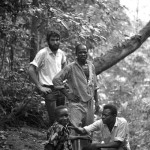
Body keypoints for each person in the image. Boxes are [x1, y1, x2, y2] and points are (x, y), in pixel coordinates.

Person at [52, 44, 99, 149]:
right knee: (74, 129)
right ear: (76, 54)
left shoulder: (91, 66)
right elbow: (56, 79)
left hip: (90, 103)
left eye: (85, 52)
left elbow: (95, 85)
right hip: (76, 103)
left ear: (87, 53)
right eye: (80, 52)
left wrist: (97, 102)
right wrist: (68, 95)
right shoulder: (71, 67)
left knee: (88, 129)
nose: (83, 54)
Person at [28, 29, 67, 126]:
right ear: (48, 41)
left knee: (63, 118)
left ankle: (62, 139)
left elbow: (66, 67)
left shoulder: (61, 53)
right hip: (49, 89)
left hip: (61, 89)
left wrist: (65, 81)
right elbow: (31, 69)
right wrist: (40, 86)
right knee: (54, 118)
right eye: (52, 40)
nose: (55, 42)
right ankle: (51, 140)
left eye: (57, 40)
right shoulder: (43, 53)